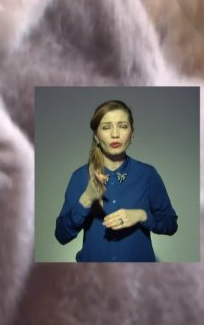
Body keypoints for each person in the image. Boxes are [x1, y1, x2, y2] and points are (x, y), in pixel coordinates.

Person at [54, 99, 178, 262]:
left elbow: (170, 224)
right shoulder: (80, 177)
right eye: (106, 127)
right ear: (96, 136)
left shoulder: (147, 175)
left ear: (132, 134)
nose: (115, 134)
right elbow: (61, 236)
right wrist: (85, 200)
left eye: (123, 126)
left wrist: (142, 215)